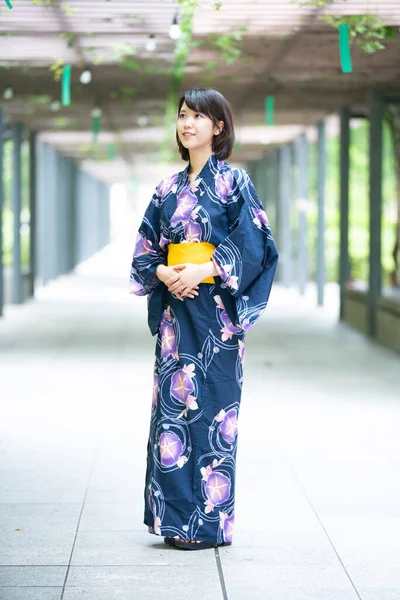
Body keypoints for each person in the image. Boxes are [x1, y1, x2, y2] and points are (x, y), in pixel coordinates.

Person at [129, 88, 278, 550]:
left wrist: (204, 269)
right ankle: (173, 522)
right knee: (172, 417)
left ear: (218, 127)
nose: (188, 123)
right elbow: (143, 254)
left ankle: (208, 526)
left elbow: (256, 246)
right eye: (182, 115)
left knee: (213, 415)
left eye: (198, 116)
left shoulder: (234, 182)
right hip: (177, 319)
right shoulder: (166, 189)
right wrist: (166, 273)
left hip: (217, 319)